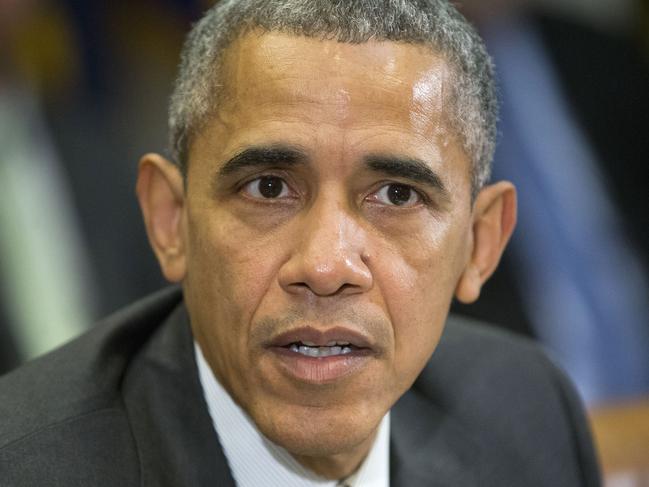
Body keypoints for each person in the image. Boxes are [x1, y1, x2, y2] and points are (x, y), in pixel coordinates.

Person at [0, 1, 601, 485]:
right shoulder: (27, 467)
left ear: (480, 243)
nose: (325, 265)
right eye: (268, 188)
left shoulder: (529, 411)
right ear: (170, 220)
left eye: (396, 195)